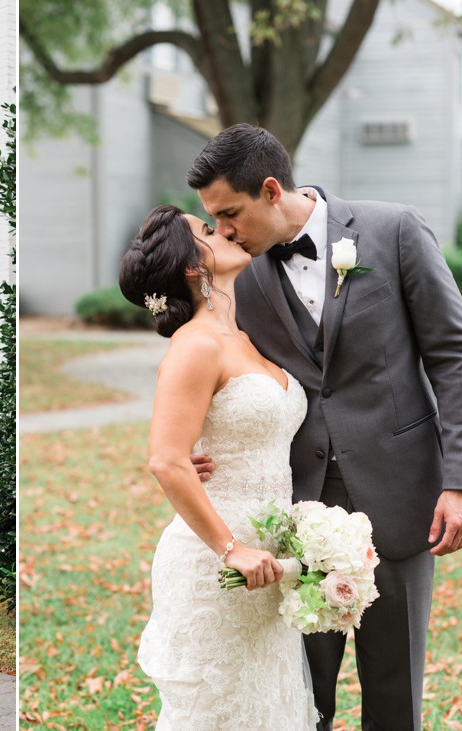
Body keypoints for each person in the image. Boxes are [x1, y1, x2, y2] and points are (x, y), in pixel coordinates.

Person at [186, 123, 462, 730]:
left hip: (404, 500)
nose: (221, 230)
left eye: (230, 213)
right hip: (294, 514)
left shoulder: (394, 230)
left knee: (394, 695)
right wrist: (199, 445)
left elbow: (455, 356)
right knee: (303, 698)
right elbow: (212, 367)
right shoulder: (236, 276)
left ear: (272, 190)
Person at [119, 205, 319, 729]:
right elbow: (165, 460)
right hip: (218, 565)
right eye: (209, 230)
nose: (225, 230)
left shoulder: (246, 337)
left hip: (269, 561)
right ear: (192, 268)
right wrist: (231, 549)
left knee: (264, 708)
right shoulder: (197, 345)